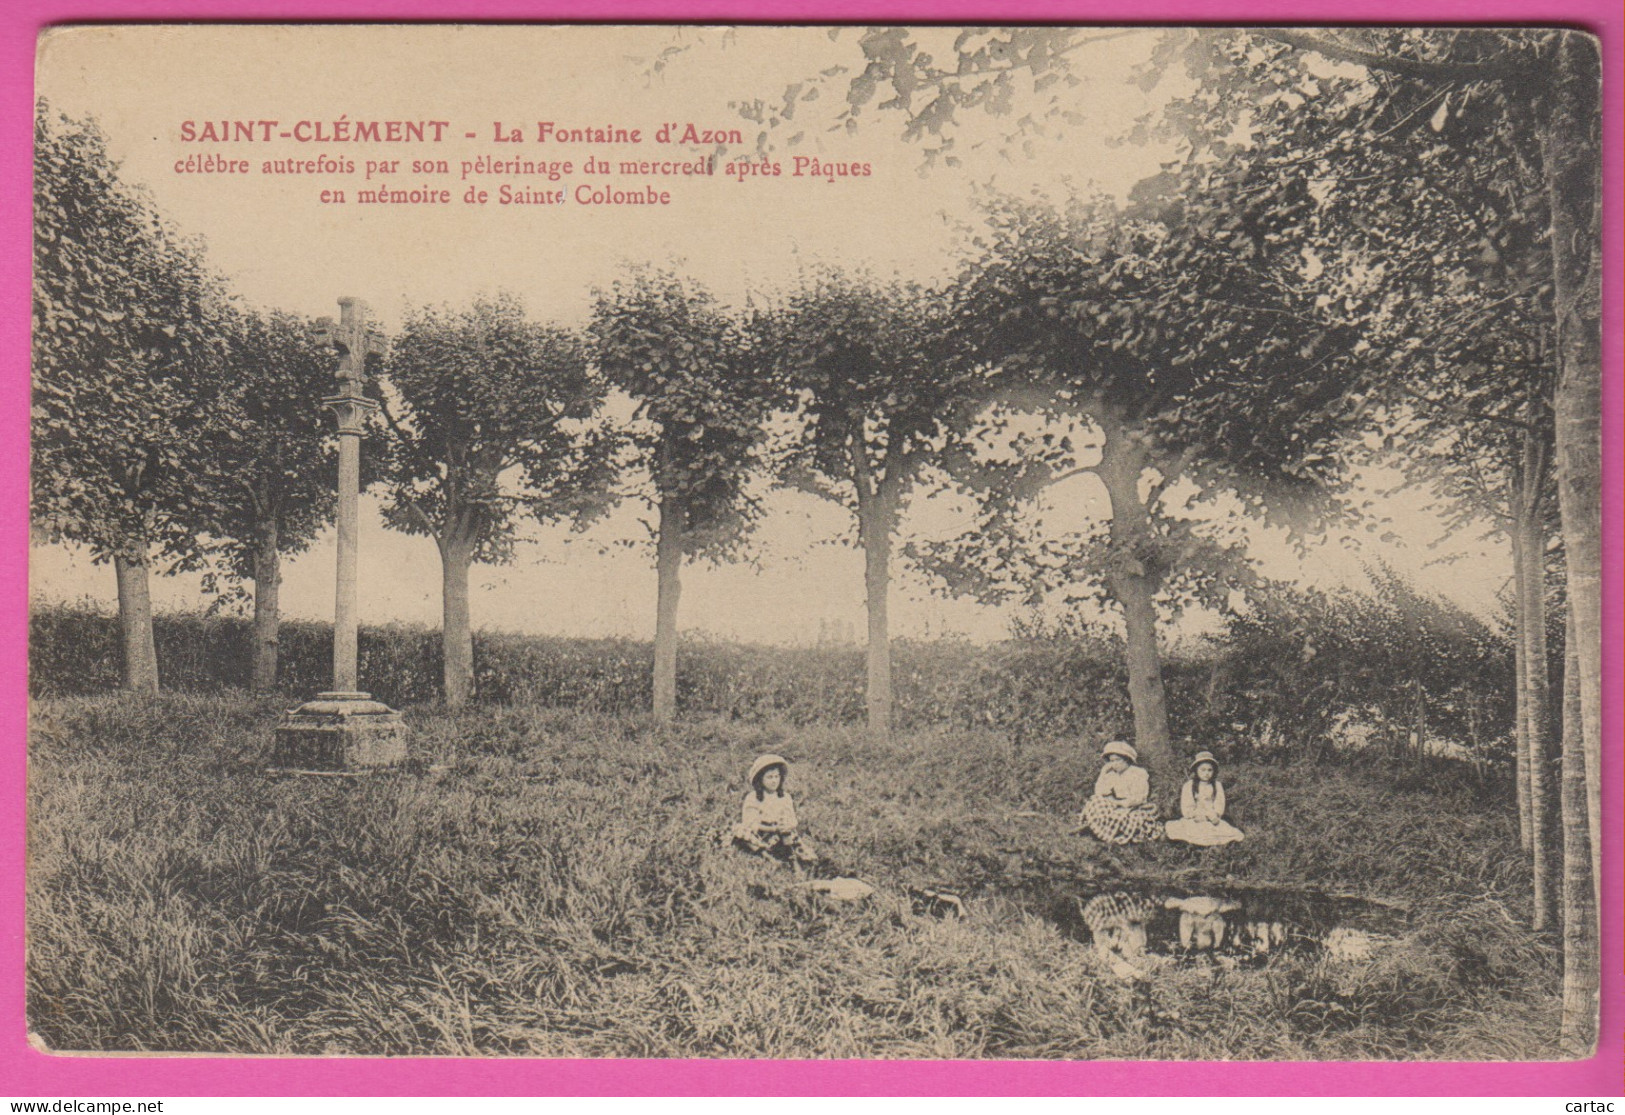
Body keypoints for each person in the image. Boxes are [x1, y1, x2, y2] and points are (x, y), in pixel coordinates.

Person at [731, 753, 816, 864]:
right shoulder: (753, 797)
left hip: (780, 834)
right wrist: (769, 829)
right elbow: (750, 822)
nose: (774, 781)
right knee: (740, 830)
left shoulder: (785, 797)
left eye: (776, 777)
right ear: (760, 779)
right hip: (761, 833)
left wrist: (785, 826)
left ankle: (793, 858)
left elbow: (792, 820)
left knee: (791, 838)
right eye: (769, 777)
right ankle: (766, 856)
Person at [1081, 740, 1162, 844]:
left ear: (1127, 760)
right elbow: (1099, 792)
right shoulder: (1112, 774)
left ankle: (1108, 833)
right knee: (1095, 801)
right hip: (1115, 804)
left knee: (1125, 818)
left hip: (1132, 807)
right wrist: (1103, 773)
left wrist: (1118, 803)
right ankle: (1097, 828)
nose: (1114, 764)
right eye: (1111, 761)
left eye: (1117, 760)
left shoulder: (1137, 773)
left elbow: (1139, 798)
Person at [1164, 751, 1245, 846]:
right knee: (1190, 831)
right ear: (1196, 770)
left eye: (1209, 770)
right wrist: (1196, 815)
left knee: (1227, 832)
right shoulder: (1189, 785)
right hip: (1195, 818)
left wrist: (1214, 815)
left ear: (1214, 771)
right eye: (1203, 770)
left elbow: (1219, 805)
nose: (1206, 773)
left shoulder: (1217, 785)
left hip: (1212, 818)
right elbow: (1187, 808)